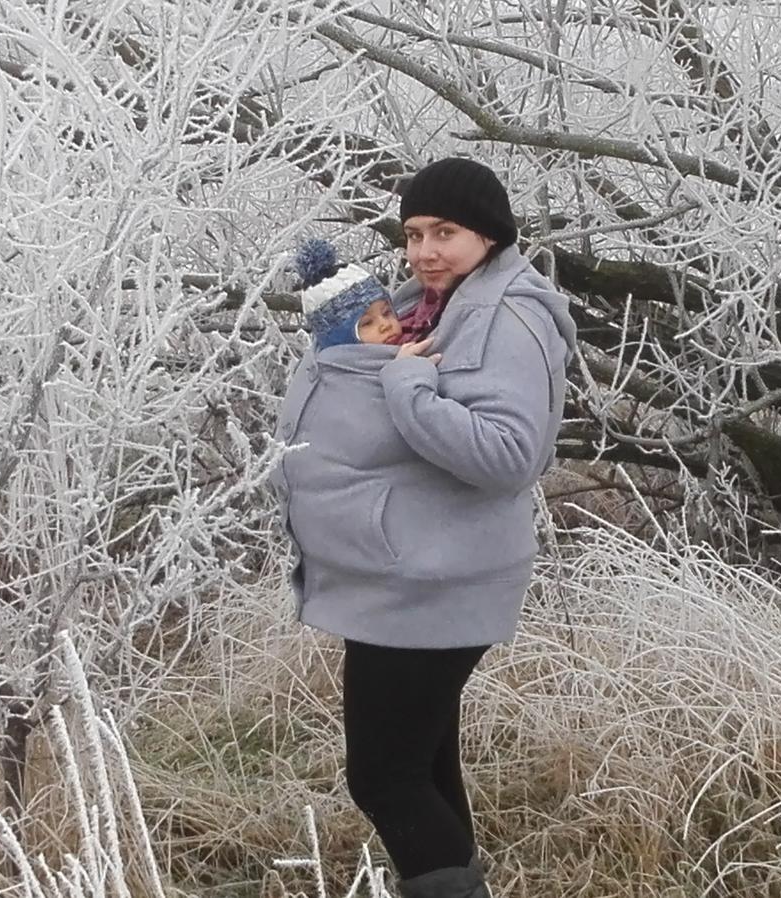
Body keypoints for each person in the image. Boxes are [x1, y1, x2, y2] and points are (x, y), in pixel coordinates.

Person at [270, 157, 577, 898]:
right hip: (405, 571)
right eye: (413, 234)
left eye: (445, 232)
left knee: (383, 776)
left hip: (432, 580)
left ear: (489, 235)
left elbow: (509, 455)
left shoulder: (508, 319)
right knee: (423, 765)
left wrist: (406, 384)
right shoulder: (433, 303)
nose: (424, 251)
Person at [293, 238, 404, 349]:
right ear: (340, 338)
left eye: (387, 313)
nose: (386, 325)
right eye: (367, 323)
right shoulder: (349, 360)